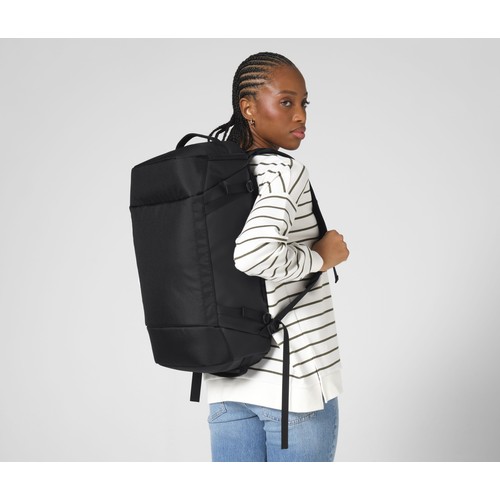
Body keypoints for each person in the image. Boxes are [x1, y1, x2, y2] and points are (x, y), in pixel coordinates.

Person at [204, 51, 350, 462]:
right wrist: (321, 258)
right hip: (293, 385)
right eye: (286, 102)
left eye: (303, 103)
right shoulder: (284, 171)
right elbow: (252, 255)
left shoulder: (218, 175)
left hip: (228, 379)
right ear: (248, 108)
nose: (300, 115)